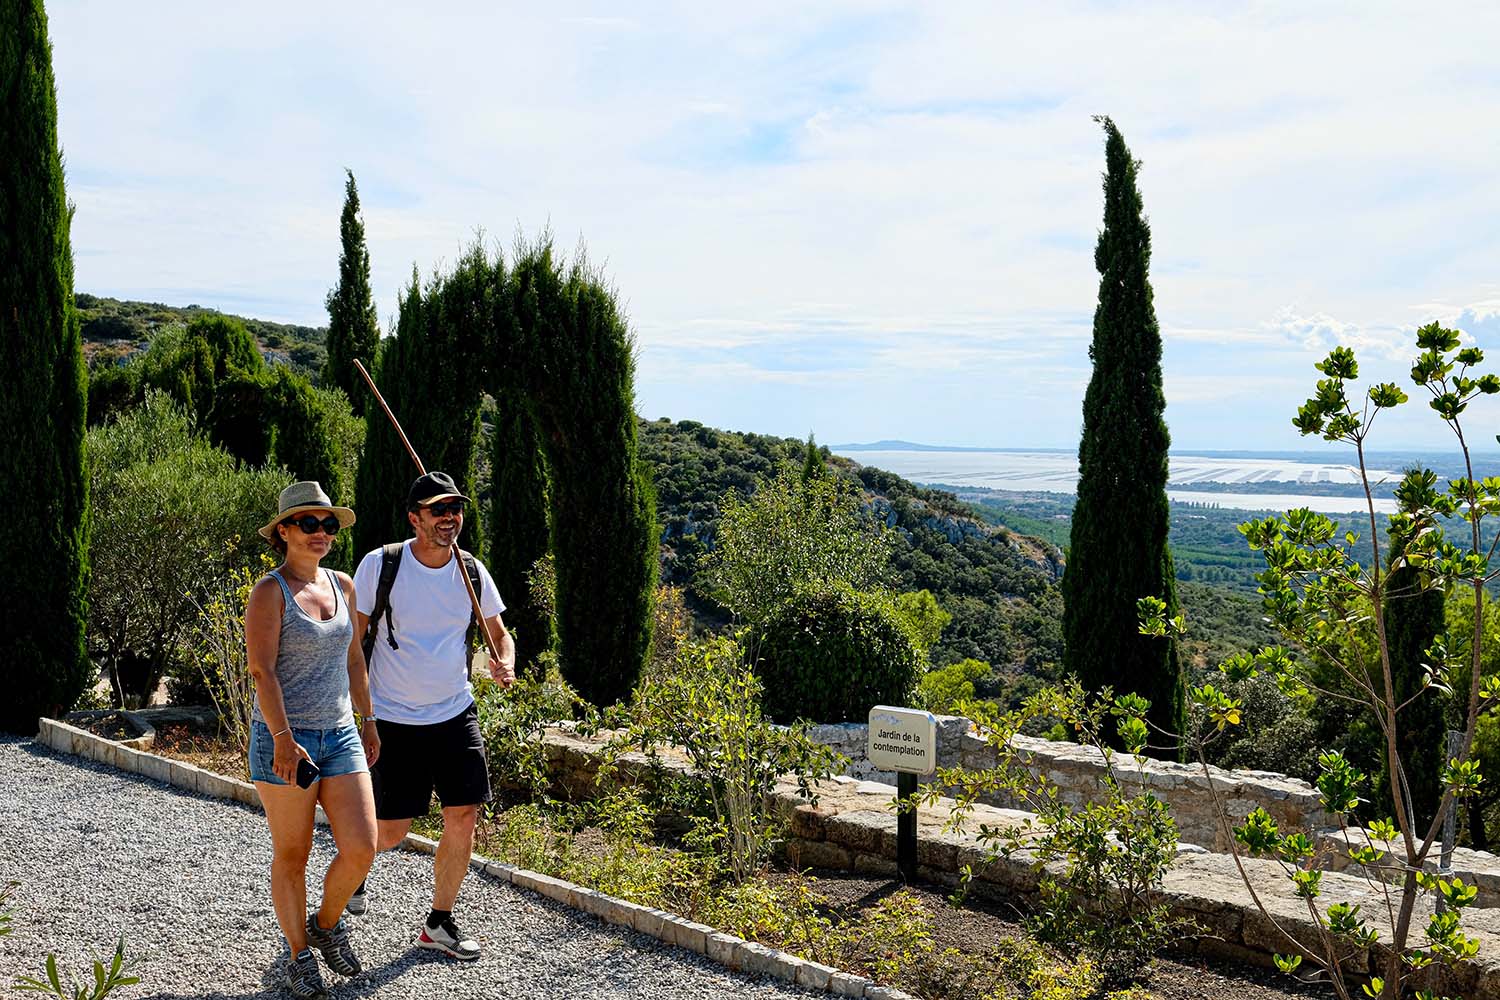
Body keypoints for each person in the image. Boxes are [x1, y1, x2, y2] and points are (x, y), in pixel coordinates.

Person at [350, 470, 515, 961]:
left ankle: (439, 923)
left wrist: (504, 660)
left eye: (456, 509)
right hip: (394, 716)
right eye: (438, 510)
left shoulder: (470, 569)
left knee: (463, 814)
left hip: (454, 712)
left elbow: (498, 632)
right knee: (392, 831)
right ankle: (354, 869)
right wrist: (360, 713)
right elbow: (353, 643)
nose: (450, 518)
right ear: (414, 518)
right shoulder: (381, 565)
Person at [245, 481, 379, 999]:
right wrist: (281, 736)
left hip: (341, 734)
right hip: (284, 740)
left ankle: (325, 923)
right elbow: (263, 672)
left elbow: (353, 660)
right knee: (293, 852)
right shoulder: (269, 592)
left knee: (362, 848)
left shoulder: (344, 585)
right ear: (284, 531)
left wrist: (369, 720)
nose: (321, 533)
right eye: (309, 523)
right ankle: (299, 954)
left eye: (327, 524)